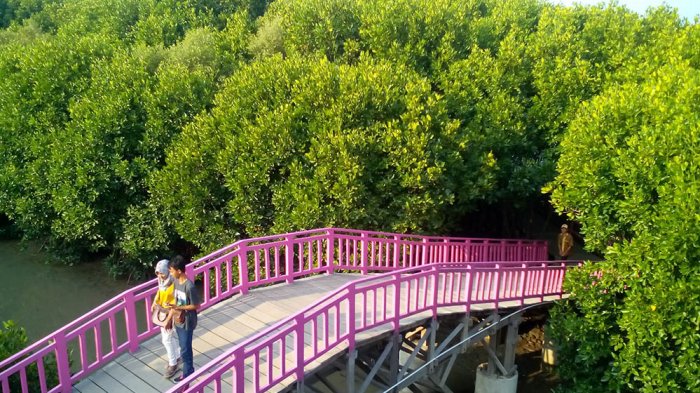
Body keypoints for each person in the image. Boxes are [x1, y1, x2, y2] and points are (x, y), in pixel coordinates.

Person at [168, 255, 201, 383]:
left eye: (172, 270)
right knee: (183, 347)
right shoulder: (176, 282)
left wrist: (179, 306)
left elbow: (196, 305)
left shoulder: (189, 286)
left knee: (185, 348)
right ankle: (189, 369)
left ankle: (188, 374)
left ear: (179, 271)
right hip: (179, 319)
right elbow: (175, 297)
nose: (170, 273)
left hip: (187, 321)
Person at [151, 259, 181, 378]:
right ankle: (178, 356)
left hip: (170, 314)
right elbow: (160, 292)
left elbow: (175, 302)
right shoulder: (162, 281)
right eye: (158, 273)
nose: (160, 275)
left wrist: (169, 319)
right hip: (163, 312)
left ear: (168, 271)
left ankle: (173, 364)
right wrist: (155, 301)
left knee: (166, 339)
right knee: (171, 337)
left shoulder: (174, 284)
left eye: (162, 272)